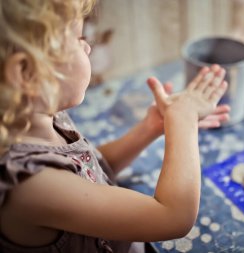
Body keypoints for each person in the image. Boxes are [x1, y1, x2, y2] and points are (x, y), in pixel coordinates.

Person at [0, 0, 230, 252]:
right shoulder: (32, 188)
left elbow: (88, 173)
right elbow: (173, 217)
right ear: (25, 73)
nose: (87, 46)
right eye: (78, 38)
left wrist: (149, 128)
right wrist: (183, 120)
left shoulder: (36, 119)